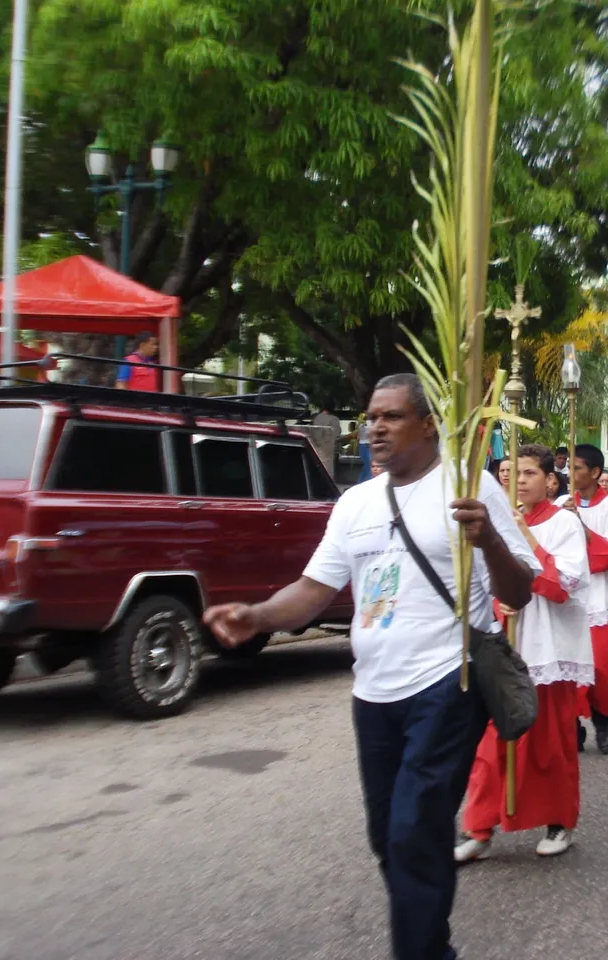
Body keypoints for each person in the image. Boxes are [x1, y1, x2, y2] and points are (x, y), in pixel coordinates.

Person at [203, 373, 538, 960]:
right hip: (373, 695)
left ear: (428, 424)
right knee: (389, 836)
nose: (374, 427)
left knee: (413, 830)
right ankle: (431, 946)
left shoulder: (467, 488)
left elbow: (522, 589)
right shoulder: (355, 501)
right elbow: (313, 589)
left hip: (448, 681)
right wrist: (256, 616)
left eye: (391, 417)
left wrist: (487, 541)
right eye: (370, 417)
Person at [456, 444, 592, 863]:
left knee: (549, 741)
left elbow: (563, 585)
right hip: (500, 644)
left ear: (550, 480)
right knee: (488, 741)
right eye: (507, 471)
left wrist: (526, 538)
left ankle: (559, 820)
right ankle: (479, 826)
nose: (515, 480)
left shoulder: (565, 525)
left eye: (528, 472)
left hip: (547, 648)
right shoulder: (487, 520)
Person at [559, 444, 608, 754]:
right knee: (568, 666)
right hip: (571, 598)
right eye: (569, 467)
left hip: (601, 599)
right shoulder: (562, 503)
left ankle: (603, 720)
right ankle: (572, 724)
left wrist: (581, 527)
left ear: (595, 472)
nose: (570, 473)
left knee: (601, 668)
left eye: (577, 468)